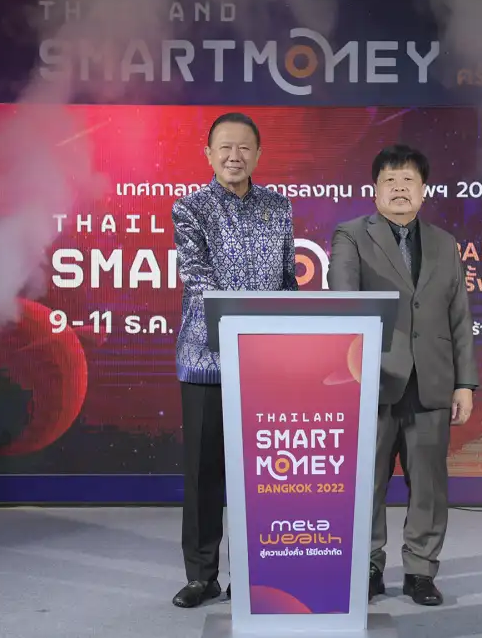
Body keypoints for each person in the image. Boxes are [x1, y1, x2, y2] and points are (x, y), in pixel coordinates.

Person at [327, 144, 478, 606]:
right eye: (389, 180)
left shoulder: (444, 243)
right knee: (366, 482)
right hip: (372, 379)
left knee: (428, 485)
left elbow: (459, 317)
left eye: (408, 180)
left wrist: (465, 383)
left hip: (432, 381)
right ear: (374, 189)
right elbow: (343, 300)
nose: (398, 188)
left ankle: (420, 571)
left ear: (423, 189)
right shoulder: (352, 235)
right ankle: (367, 567)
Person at [171, 112, 299, 608]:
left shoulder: (279, 208)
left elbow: (287, 282)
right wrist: (245, 329)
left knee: (263, 475)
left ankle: (255, 572)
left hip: (266, 363)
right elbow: (198, 280)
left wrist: (292, 339)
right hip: (207, 361)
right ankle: (201, 576)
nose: (234, 156)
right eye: (224, 147)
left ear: (258, 154)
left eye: (244, 147)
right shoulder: (190, 209)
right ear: (208, 154)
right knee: (204, 475)